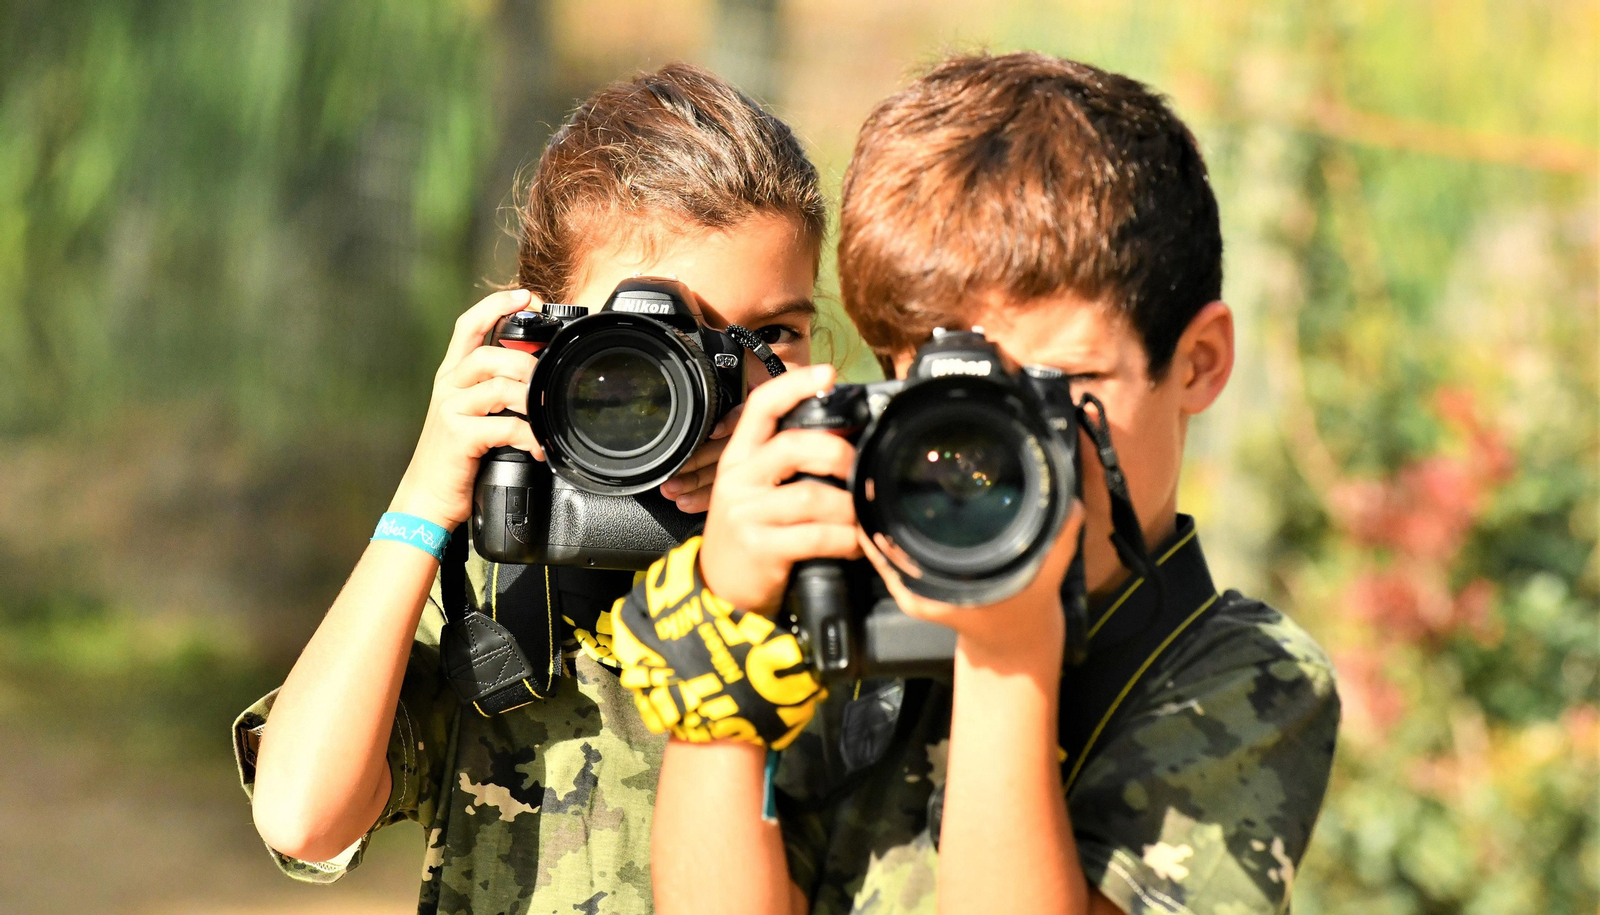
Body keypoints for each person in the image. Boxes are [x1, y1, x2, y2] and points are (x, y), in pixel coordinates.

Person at [614, 53, 1341, 915]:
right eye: (946, 405)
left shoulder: (1243, 678)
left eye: (1059, 390)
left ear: (1198, 363)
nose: (998, 449)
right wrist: (724, 641)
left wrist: (1008, 660)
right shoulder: (854, 618)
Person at [233, 62, 827, 915]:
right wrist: (423, 502)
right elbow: (301, 815)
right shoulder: (502, 580)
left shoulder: (845, 578)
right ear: (549, 348)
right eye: (650, 353)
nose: (708, 390)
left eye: (770, 334)